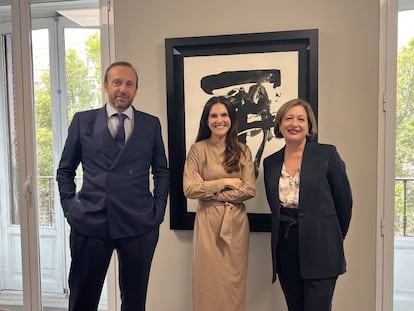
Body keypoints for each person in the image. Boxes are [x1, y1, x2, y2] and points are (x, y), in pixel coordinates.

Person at [56, 61, 170, 311]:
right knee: (82, 301)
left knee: (134, 302)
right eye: (117, 82)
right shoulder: (82, 121)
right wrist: (70, 208)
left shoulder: (150, 124)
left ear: (136, 90)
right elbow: (65, 170)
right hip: (90, 222)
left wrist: (158, 210)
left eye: (129, 84)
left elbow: (161, 170)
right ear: (106, 86)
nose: (123, 89)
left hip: (139, 224)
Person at [263, 98, 352, 311]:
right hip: (286, 246)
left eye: (301, 119)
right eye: (289, 118)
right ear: (280, 124)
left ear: (309, 125)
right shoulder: (270, 163)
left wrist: (333, 237)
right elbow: (275, 208)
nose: (295, 124)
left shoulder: (326, 154)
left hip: (322, 246)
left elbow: (344, 203)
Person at [183, 96, 256, 311]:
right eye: (213, 115)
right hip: (207, 223)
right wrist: (225, 182)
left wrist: (210, 190)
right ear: (207, 120)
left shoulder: (243, 151)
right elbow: (189, 189)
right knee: (207, 283)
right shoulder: (197, 150)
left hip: (235, 223)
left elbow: (249, 190)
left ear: (231, 119)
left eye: (224, 115)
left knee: (233, 284)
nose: (219, 120)